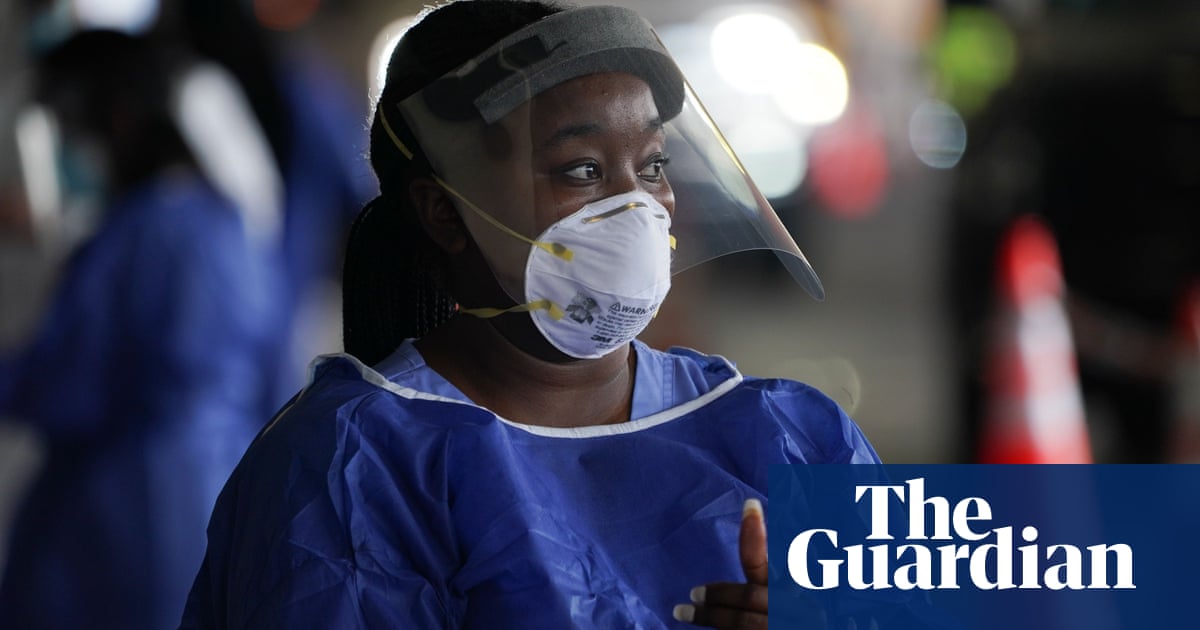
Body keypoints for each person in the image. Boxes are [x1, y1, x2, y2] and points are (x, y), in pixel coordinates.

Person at [181, 2, 882, 628]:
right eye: (582, 170)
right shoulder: (346, 472)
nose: (637, 207)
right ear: (444, 211)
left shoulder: (795, 434)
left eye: (652, 165)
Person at [0, 30, 289, 629]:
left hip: (118, 513)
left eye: (67, 126)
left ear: (114, 119)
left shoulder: (132, 235)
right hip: (220, 495)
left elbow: (68, 385)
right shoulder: (225, 224)